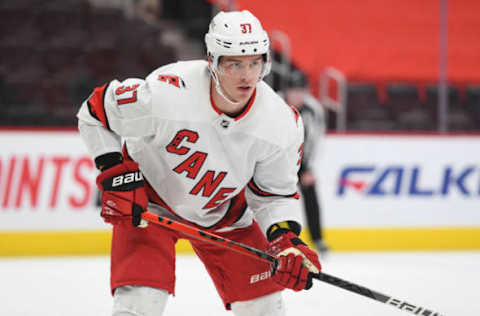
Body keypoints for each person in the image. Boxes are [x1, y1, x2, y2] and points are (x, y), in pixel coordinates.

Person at [77, 10, 321, 316]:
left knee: (265, 308)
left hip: (224, 214)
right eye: (234, 63)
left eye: (254, 62)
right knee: (139, 304)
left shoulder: (281, 123)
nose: (247, 75)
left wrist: (285, 239)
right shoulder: (166, 92)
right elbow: (94, 113)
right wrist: (116, 176)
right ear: (213, 61)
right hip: (150, 205)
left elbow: (274, 194)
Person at [284, 71, 329, 254]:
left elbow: (317, 140)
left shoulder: (313, 109)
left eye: (299, 91)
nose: (295, 95)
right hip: (278, 159)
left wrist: (309, 168)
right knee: (275, 198)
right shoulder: (274, 103)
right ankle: (276, 238)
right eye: (292, 91)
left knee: (311, 196)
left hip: (303, 160)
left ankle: (317, 239)